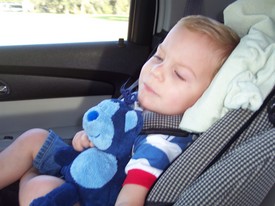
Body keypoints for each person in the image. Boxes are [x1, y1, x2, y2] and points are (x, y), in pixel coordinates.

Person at [0, 15, 240, 206]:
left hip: (98, 194)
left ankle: (28, 180)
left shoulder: (163, 140)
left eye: (178, 74)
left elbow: (131, 196)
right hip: (87, 167)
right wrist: (86, 138)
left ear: (204, 97)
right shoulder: (140, 101)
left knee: (39, 186)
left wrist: (30, 177)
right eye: (159, 57)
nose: (156, 71)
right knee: (34, 137)